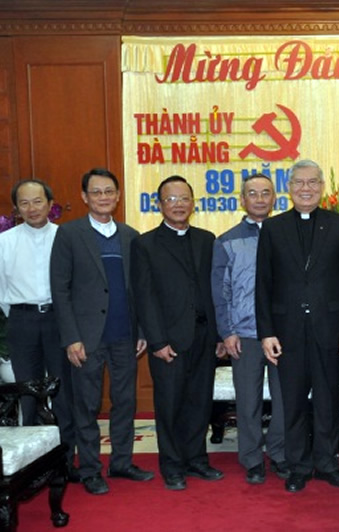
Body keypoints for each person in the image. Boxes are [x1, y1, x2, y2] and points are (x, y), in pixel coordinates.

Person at [256, 160, 339, 493]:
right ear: (289, 187)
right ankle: (299, 465)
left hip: (329, 328)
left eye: (313, 182)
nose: (306, 188)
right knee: (294, 400)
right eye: (300, 182)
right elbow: (264, 284)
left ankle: (328, 463)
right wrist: (267, 332)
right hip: (286, 332)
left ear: (322, 186)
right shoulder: (273, 228)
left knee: (328, 399)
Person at [49, 168, 154, 495]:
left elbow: (138, 288)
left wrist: (141, 329)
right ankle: (91, 469)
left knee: (125, 402)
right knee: (87, 406)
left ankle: (122, 462)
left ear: (118, 196)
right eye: (96, 192)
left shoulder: (130, 235)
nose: (104, 197)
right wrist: (71, 338)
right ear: (84, 197)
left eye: (109, 191)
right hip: (87, 339)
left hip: (125, 335)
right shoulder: (69, 234)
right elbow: (60, 288)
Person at [131, 175, 223, 491]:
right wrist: (156, 341)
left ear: (193, 202)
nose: (178, 204)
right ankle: (172, 465)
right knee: (169, 404)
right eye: (171, 199)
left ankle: (196, 460)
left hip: (204, 336)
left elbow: (217, 290)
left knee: (200, 402)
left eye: (184, 198)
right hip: (168, 340)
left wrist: (221, 336)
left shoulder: (207, 239)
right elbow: (144, 297)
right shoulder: (145, 244)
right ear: (160, 204)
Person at [0, 178, 77, 477]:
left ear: (50, 204)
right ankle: (31, 466)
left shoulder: (65, 237)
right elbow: (0, 290)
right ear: (16, 208)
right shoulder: (4, 241)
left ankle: (65, 463)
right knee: (28, 391)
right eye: (24, 203)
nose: (32, 208)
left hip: (59, 320)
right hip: (22, 321)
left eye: (38, 201)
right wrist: (21, 313)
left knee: (63, 392)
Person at [211, 173, 287, 485]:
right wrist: (226, 332)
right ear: (243, 199)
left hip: (282, 334)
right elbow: (220, 291)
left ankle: (281, 454)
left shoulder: (285, 235)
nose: (259, 198)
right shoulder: (226, 240)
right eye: (252, 193)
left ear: (274, 198)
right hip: (244, 333)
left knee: (285, 399)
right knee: (248, 401)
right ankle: (252, 459)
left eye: (265, 193)